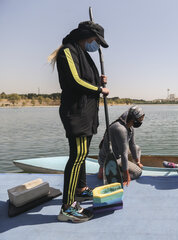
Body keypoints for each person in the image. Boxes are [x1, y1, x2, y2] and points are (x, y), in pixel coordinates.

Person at [48, 21, 110, 223]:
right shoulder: (68, 50)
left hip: (88, 113)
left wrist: (99, 81)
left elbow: (87, 80)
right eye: (95, 40)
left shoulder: (84, 54)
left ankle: (81, 189)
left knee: (82, 155)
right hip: (76, 112)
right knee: (77, 156)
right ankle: (67, 207)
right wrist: (99, 90)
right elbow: (75, 81)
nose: (96, 45)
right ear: (86, 35)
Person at [98, 106, 145, 186]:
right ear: (133, 119)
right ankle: (109, 173)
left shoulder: (130, 126)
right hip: (110, 158)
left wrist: (137, 162)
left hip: (118, 153)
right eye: (140, 119)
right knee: (138, 172)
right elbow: (124, 154)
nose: (141, 121)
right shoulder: (120, 129)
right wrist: (127, 176)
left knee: (137, 148)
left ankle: (122, 168)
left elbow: (132, 145)